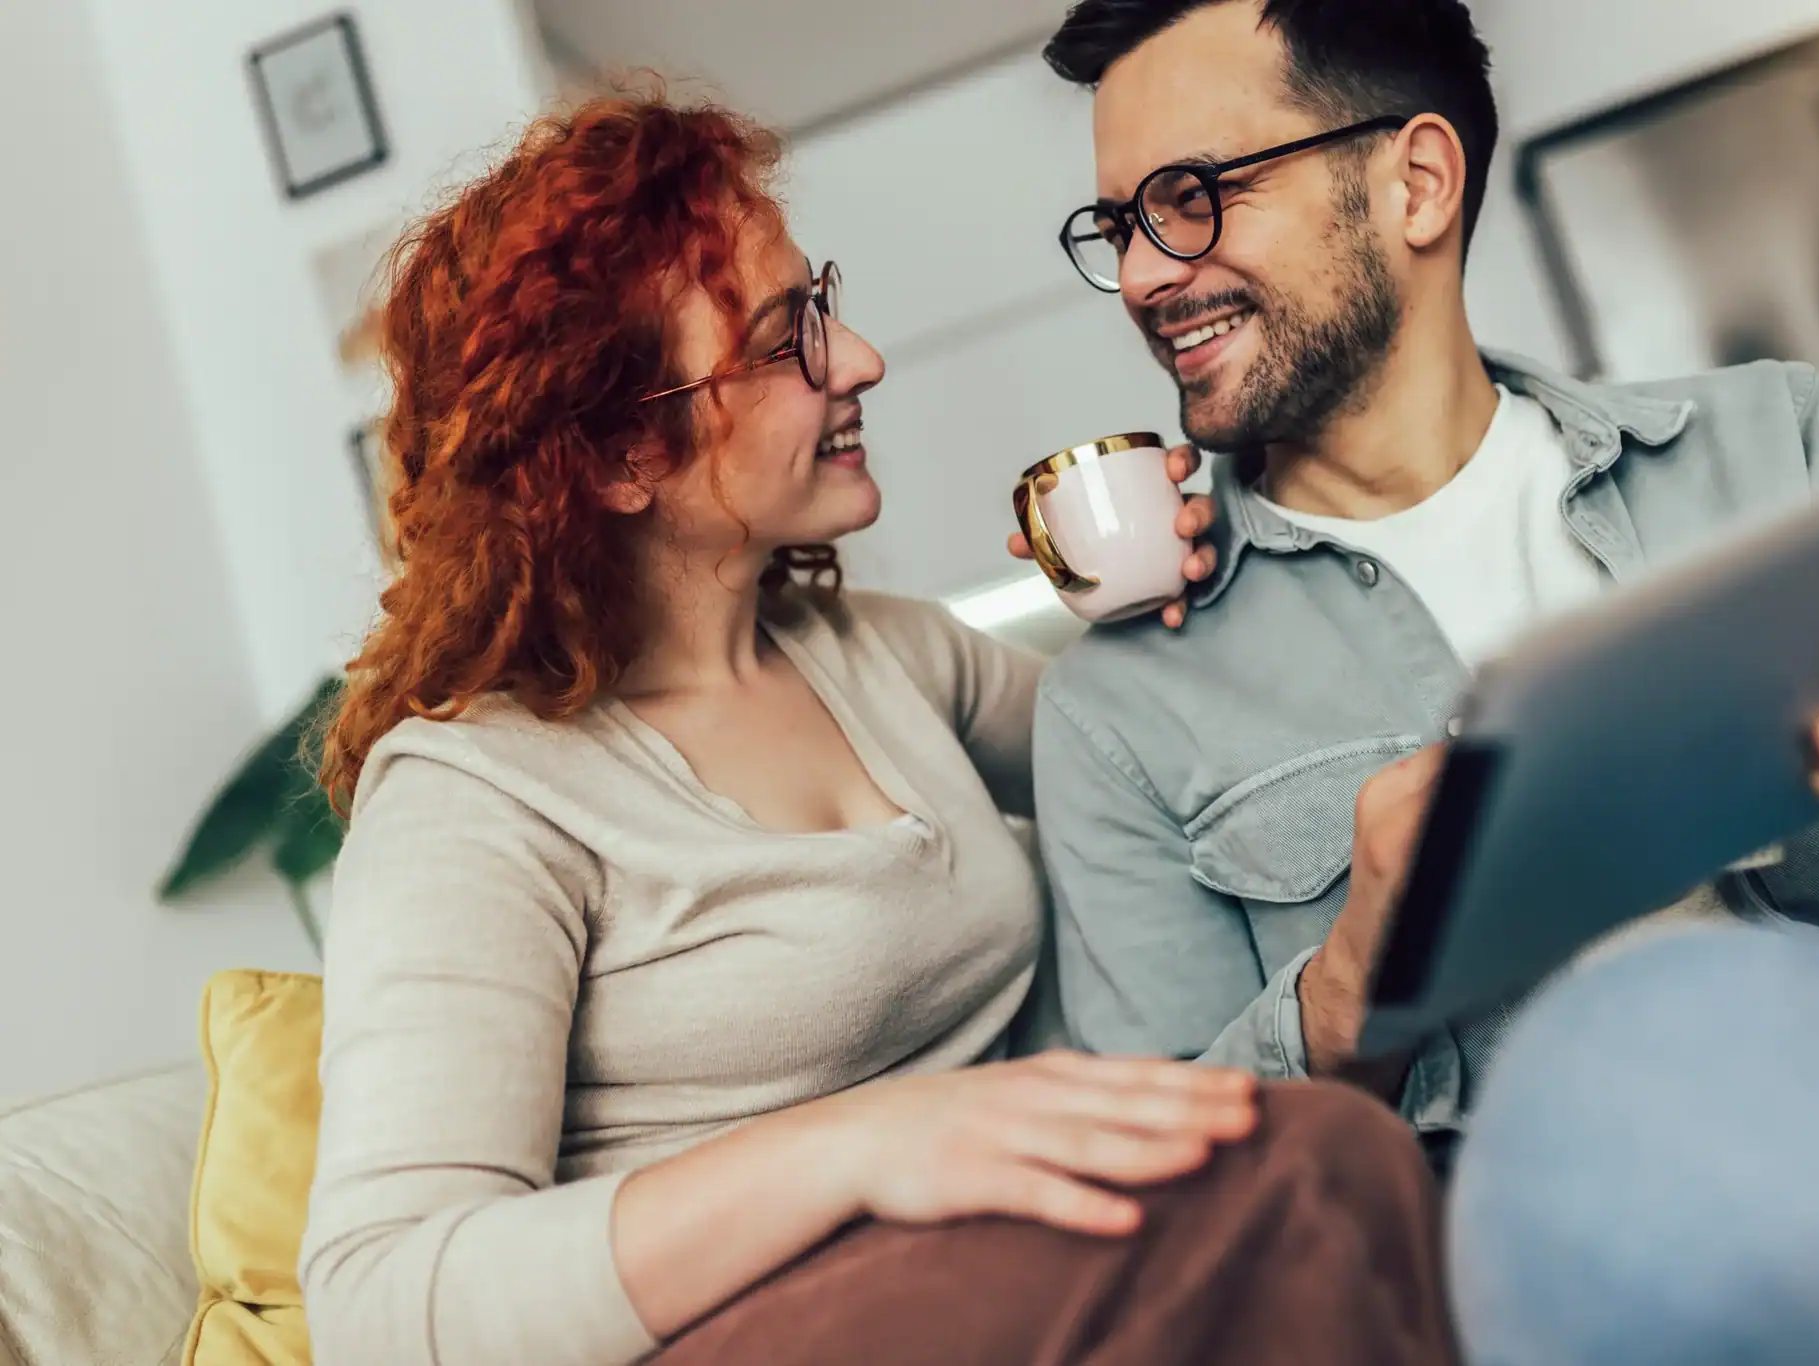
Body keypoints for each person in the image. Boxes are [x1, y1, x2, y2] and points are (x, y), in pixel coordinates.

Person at [298, 92, 1463, 1366]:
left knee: (1356, 1160)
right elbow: (379, 1303)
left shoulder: (880, 656)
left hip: (1013, 1269)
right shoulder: (473, 795)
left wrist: (1160, 610)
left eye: (821, 304)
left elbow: (1179, 776)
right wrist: (861, 1145)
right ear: (624, 452)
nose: (857, 359)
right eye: (785, 340)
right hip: (758, 1328)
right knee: (1318, 1168)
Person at [1019, 1, 1819, 1360]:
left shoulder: (1772, 445)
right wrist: (1345, 989)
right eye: (1119, 226)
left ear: (1417, 181)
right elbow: (1173, 1226)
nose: (1145, 275)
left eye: (1193, 198)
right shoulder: (1120, 705)